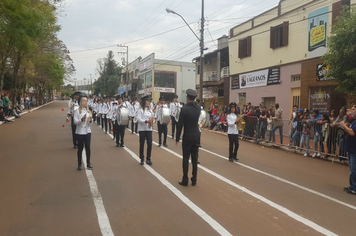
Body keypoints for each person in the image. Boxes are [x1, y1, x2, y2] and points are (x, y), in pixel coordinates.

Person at [176, 89, 200, 186]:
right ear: (194, 98)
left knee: (186, 158)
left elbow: (180, 125)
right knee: (195, 159)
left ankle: (185, 179)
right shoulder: (198, 108)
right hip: (196, 135)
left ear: (187, 98)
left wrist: (177, 138)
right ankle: (194, 179)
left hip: (187, 136)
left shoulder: (184, 109)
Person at [73, 96, 93, 170]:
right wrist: (82, 119)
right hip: (80, 132)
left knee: (88, 147)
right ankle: (79, 163)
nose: (86, 102)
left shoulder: (88, 111)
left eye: (86, 101)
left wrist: (90, 120)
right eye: (84, 101)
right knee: (80, 148)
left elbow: (90, 124)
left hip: (87, 131)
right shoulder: (77, 111)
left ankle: (88, 162)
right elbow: (75, 122)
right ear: (81, 102)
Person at [341, 105, 356, 195]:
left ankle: (354, 187)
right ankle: (352, 186)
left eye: (353, 109)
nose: (351, 111)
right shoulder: (354, 121)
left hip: (354, 150)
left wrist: (344, 126)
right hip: (351, 149)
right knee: (351, 168)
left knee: (354, 169)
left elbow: (352, 132)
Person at [137, 95, 155, 165]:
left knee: (149, 143)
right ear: (144, 102)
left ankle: (148, 158)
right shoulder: (140, 110)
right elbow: (139, 119)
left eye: (149, 101)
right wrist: (146, 121)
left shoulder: (150, 110)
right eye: (147, 101)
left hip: (149, 129)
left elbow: (153, 118)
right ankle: (142, 158)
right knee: (142, 144)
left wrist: (153, 121)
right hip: (142, 129)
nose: (148, 102)